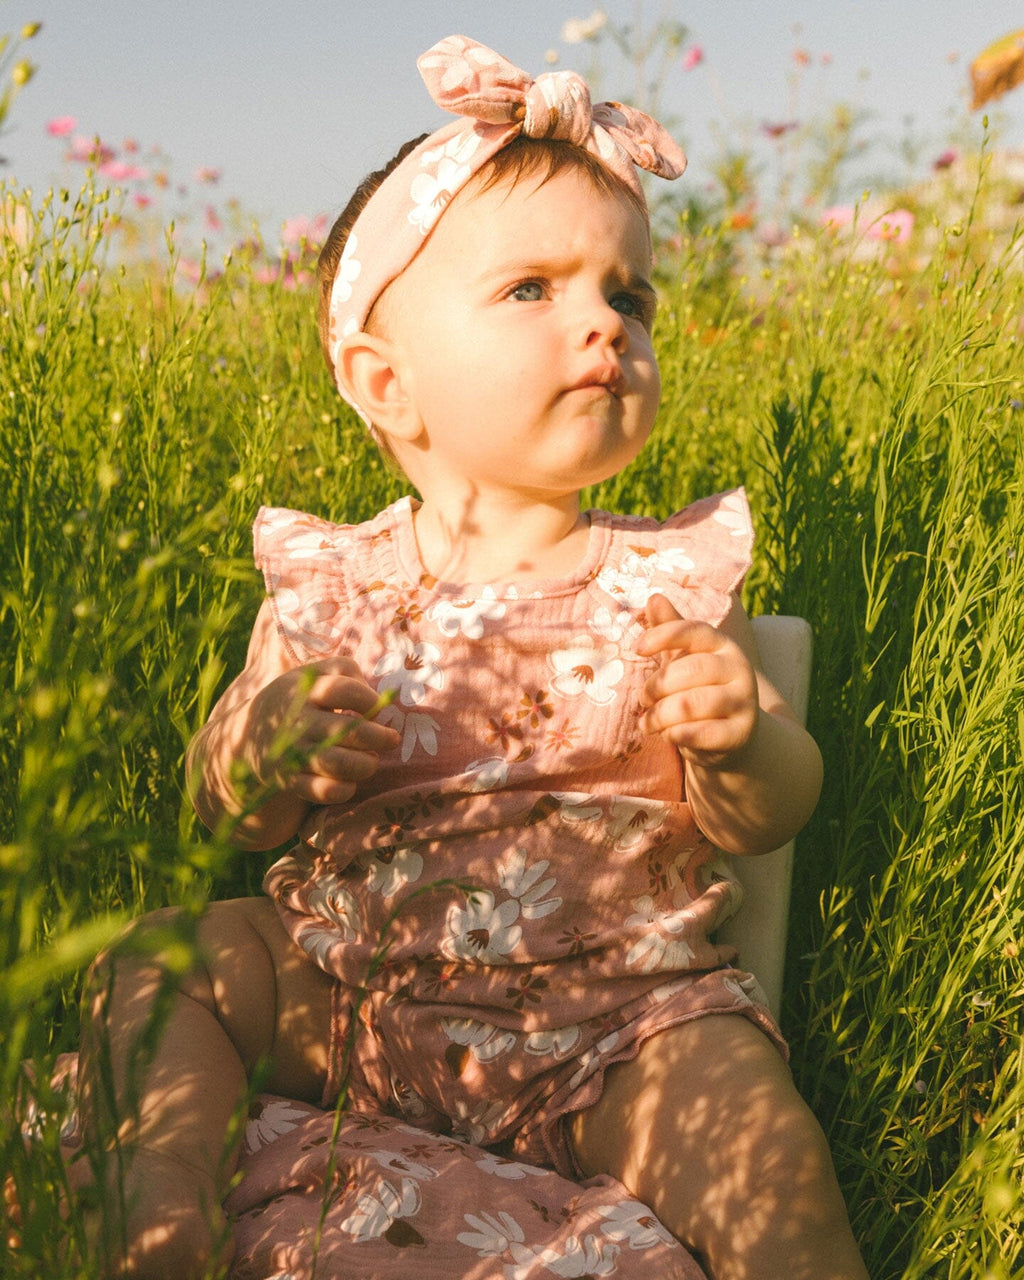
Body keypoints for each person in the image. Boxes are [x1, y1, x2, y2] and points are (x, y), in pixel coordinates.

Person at [79, 35, 869, 1280]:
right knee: (168, 958)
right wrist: (253, 746)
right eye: (531, 290)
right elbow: (225, 805)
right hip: (351, 996)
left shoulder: (669, 577)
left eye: (628, 295)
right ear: (385, 382)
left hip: (616, 1025)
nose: (603, 325)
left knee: (767, 1154)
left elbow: (766, 816)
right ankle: (159, 1212)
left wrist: (743, 740)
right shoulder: (330, 583)